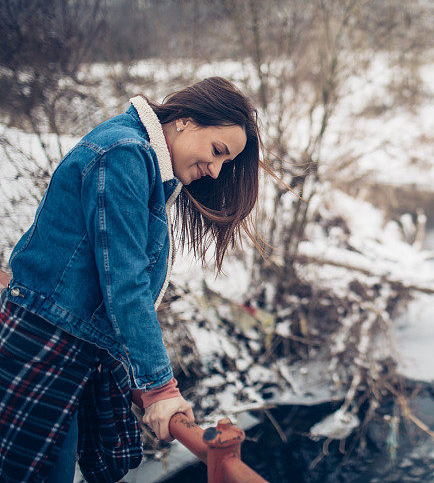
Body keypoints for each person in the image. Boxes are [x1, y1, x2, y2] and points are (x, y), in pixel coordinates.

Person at [0, 76, 262, 482]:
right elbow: (125, 283)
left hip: (66, 341)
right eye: (217, 151)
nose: (215, 170)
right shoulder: (124, 153)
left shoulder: (134, 153)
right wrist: (159, 388)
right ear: (185, 121)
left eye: (226, 162)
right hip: (46, 343)